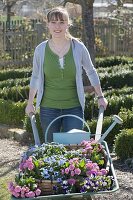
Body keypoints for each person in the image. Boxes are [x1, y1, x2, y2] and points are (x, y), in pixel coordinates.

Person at [25, 6, 108, 142]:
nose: (57, 26)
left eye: (61, 22)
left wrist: (100, 96)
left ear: (68, 24)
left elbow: (91, 71)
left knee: (74, 148)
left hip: (74, 107)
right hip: (48, 109)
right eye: (53, 22)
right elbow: (35, 77)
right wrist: (30, 103)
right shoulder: (40, 50)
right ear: (48, 24)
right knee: (51, 150)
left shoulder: (78, 47)